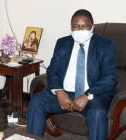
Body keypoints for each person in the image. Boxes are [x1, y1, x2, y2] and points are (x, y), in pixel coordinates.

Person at [26, 9, 117, 140]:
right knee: (37, 101)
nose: (80, 30)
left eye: (85, 26)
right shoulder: (62, 43)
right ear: (71, 27)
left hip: (93, 95)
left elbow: (110, 77)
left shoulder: (105, 45)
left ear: (93, 27)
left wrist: (87, 95)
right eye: (76, 26)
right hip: (65, 92)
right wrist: (59, 91)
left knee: (97, 113)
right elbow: (52, 70)